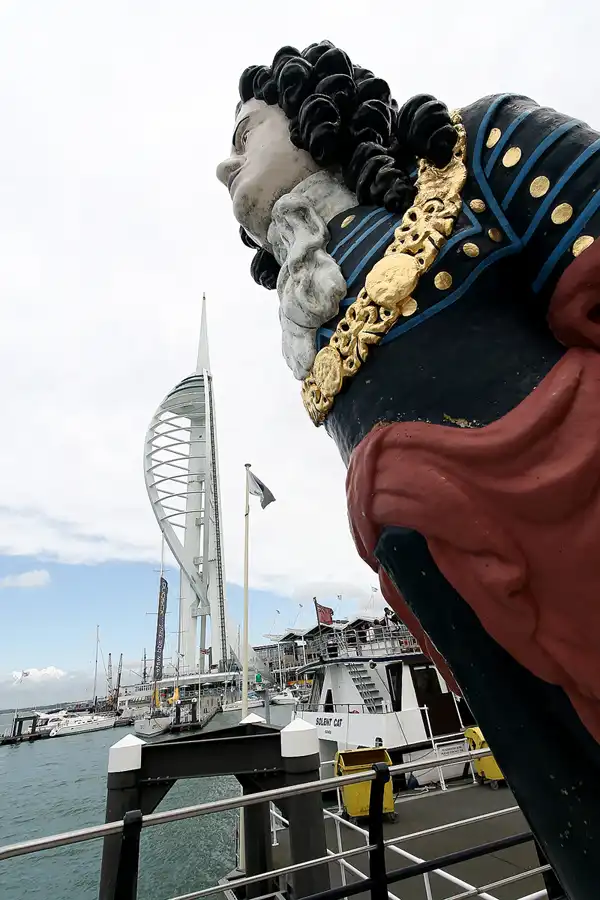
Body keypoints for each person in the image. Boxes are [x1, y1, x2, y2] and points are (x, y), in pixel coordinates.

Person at [216, 40, 600, 897]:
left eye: (246, 135)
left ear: (315, 114)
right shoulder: (310, 314)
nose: (224, 165)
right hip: (463, 595)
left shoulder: (479, 153)